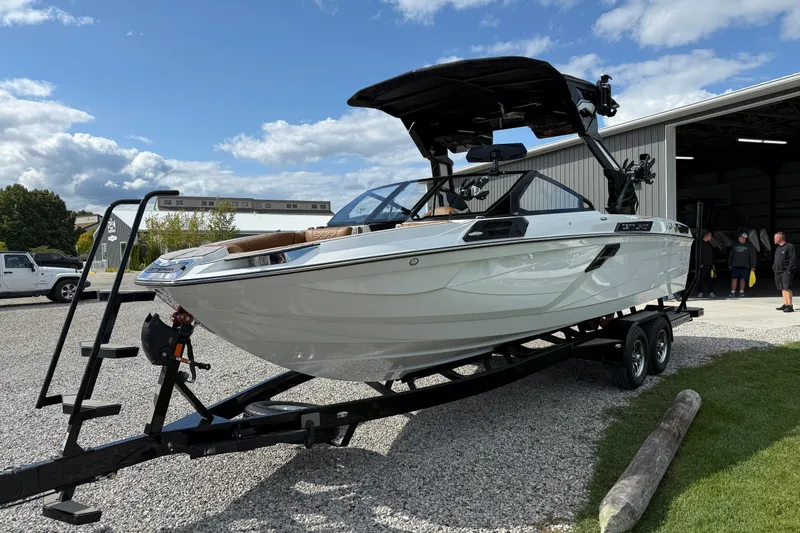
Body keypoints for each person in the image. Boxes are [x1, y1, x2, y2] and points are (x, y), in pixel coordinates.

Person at [728, 232, 757, 297]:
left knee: (742, 279)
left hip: (745, 265)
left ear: (744, 238)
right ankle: (732, 292)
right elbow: (731, 255)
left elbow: (752, 256)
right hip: (735, 265)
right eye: (739, 237)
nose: (739, 238)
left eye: (741, 237)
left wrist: (753, 266)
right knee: (734, 278)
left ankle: (741, 292)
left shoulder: (750, 246)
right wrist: (729, 264)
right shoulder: (735, 245)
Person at [773, 231, 796, 313]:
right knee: (782, 288)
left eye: (775, 238)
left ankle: (790, 305)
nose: (774, 240)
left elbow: (792, 259)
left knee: (787, 288)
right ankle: (785, 304)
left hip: (785, 271)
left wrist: (789, 270)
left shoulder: (789, 246)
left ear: (779, 238)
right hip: (778, 271)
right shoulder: (778, 248)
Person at [697, 230, 715, 298]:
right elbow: (698, 254)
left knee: (710, 279)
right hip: (703, 265)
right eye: (710, 236)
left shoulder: (709, 244)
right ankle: (700, 292)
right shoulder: (700, 244)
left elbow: (712, 254)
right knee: (701, 279)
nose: (711, 237)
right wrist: (700, 263)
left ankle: (710, 292)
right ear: (707, 236)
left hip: (709, 264)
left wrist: (713, 264)